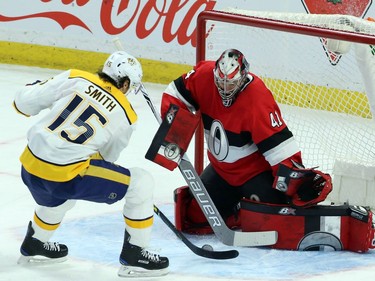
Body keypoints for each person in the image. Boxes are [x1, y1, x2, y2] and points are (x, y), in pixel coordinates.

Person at [13, 51, 169, 277]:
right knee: (141, 182)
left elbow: (22, 103)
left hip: (28, 167)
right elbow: (105, 158)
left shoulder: (75, 76)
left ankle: (35, 242)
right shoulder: (126, 114)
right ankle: (136, 255)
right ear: (125, 83)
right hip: (64, 179)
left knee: (63, 190)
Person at [159, 49, 332, 234]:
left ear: (242, 78)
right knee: (194, 220)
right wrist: (174, 131)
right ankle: (236, 214)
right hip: (221, 170)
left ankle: (248, 210)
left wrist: (296, 183)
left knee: (273, 224)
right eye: (221, 82)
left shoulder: (257, 98)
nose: (225, 88)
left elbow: (279, 148)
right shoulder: (204, 76)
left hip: (254, 174)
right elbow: (175, 93)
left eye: (231, 83)